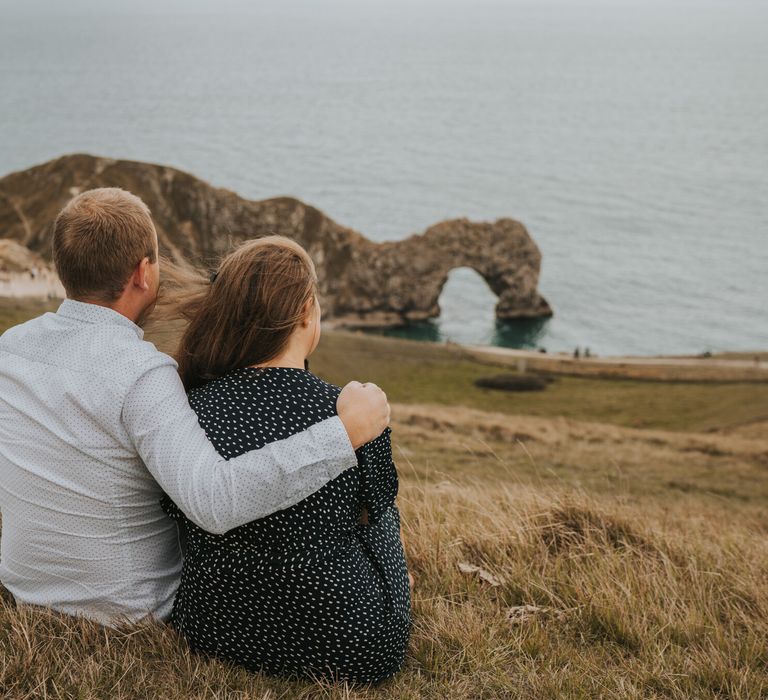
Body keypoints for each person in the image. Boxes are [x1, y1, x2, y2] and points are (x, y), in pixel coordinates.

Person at [0, 188, 389, 626]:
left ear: (63, 268)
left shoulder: (10, 349)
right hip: (124, 612)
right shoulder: (142, 375)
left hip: (25, 589)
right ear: (144, 273)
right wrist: (342, 433)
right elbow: (214, 501)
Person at [156, 236, 411, 685]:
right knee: (381, 506)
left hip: (216, 628)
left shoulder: (188, 409)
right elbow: (378, 503)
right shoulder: (351, 411)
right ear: (304, 312)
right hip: (351, 647)